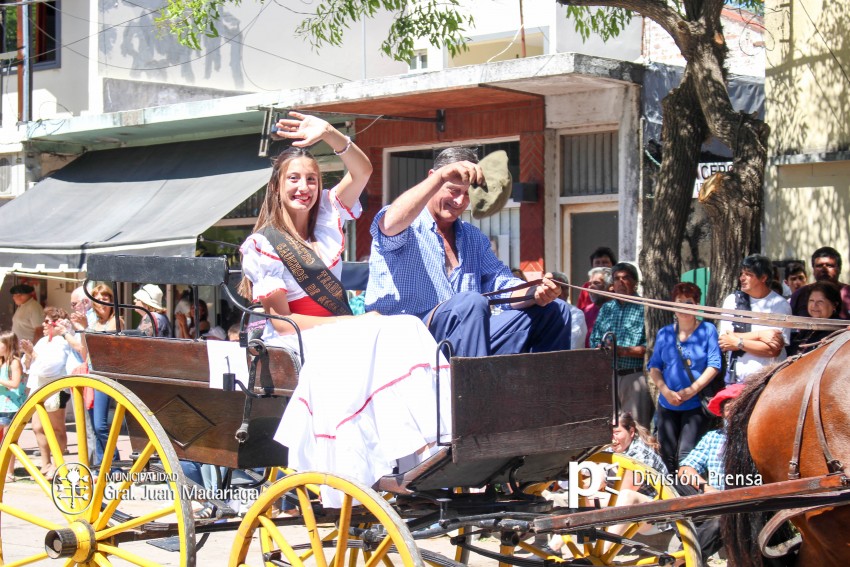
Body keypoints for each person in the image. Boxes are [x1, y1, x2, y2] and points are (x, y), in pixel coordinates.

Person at [239, 112, 451, 506]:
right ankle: (359, 468)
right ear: (277, 186)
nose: (304, 187)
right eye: (294, 179)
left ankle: (425, 446)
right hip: (295, 339)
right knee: (375, 333)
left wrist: (330, 134)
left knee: (405, 326)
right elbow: (283, 324)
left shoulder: (328, 218)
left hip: (337, 332)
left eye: (312, 179)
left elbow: (363, 170)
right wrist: (351, 324)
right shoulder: (262, 245)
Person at [365, 146, 571, 357]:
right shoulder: (407, 224)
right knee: (471, 303)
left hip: (463, 337)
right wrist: (441, 177)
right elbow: (389, 224)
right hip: (407, 338)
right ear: (433, 178)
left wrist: (535, 293)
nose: (459, 202)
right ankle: (471, 388)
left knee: (556, 311)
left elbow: (503, 284)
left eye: (466, 194)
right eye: (453, 190)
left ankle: (544, 388)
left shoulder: (474, 238)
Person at [647, 282, 722, 473]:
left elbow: (714, 365)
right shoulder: (664, 333)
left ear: (697, 305)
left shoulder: (707, 330)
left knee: (686, 455)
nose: (684, 307)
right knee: (666, 454)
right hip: (667, 403)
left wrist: (691, 391)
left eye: (689, 302)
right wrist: (665, 391)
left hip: (695, 403)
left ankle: (688, 496)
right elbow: (654, 366)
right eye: (679, 302)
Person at [677, 383, 744, 560]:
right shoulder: (712, 437)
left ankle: (684, 559)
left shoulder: (751, 438)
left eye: (739, 408)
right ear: (722, 414)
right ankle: (685, 545)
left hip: (741, 503)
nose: (734, 414)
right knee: (675, 484)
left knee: (719, 521)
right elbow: (685, 469)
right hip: (711, 497)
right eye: (729, 409)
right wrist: (707, 488)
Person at [588, 262, 653, 428]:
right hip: (609, 376)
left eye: (625, 278)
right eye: (617, 279)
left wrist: (622, 351)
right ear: (612, 285)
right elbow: (594, 338)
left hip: (634, 376)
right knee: (611, 428)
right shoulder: (607, 308)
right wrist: (601, 349)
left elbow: (651, 347)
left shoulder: (645, 308)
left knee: (636, 427)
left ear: (635, 283)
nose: (621, 283)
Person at [20, 307, 82, 480]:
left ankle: (57, 464)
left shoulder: (62, 342)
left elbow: (51, 367)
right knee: (38, 427)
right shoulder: (42, 341)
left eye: (47, 321)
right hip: (39, 387)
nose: (44, 324)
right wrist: (28, 354)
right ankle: (45, 463)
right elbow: (29, 366)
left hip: (56, 388)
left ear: (57, 324)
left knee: (56, 428)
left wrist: (33, 354)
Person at [718, 254, 791, 384]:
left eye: (748, 274)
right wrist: (761, 335)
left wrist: (738, 342)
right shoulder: (732, 301)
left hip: (770, 381)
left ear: (763, 277)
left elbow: (772, 350)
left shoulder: (780, 305)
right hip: (737, 380)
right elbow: (725, 340)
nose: (742, 278)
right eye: (742, 274)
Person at [789, 246, 850, 319]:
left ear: (839, 269)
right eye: (819, 266)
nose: (824, 269)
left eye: (829, 265)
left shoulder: (848, 293)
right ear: (813, 270)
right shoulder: (800, 294)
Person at [787, 280, 842, 355]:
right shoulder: (806, 330)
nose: (814, 305)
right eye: (811, 301)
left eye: (820, 302)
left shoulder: (839, 332)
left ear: (834, 305)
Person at [0, 331, 25, 482]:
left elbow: (15, 383)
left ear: (8, 345)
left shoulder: (14, 362)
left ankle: (9, 472)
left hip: (11, 407)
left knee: (9, 441)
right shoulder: (1, 362)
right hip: (1, 405)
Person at [551, 271, 587, 349]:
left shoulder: (576, 314)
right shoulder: (539, 312)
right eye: (556, 288)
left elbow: (574, 343)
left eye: (564, 288)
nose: (560, 293)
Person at [576, 246, 617, 311]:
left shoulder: (618, 285)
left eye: (605, 262)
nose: (601, 265)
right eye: (597, 263)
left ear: (613, 265)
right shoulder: (586, 287)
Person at [582, 266, 612, 347]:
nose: (590, 287)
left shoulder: (618, 310)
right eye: (590, 283)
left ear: (610, 286)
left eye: (596, 283)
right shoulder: (585, 311)